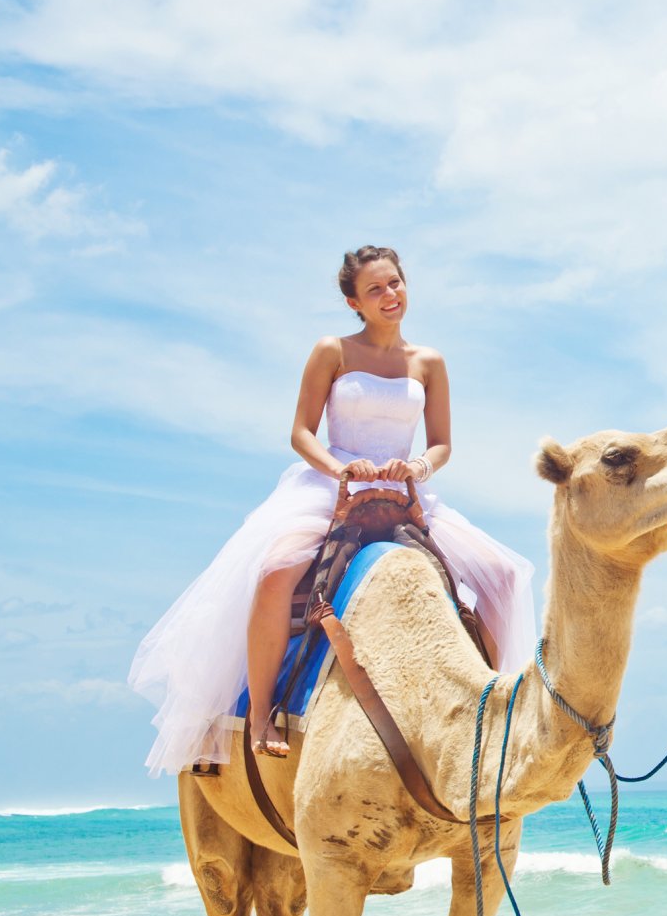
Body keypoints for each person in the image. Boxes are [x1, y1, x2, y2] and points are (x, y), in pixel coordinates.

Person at [130, 245, 536, 771]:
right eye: (375, 290)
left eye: (395, 283)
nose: (390, 295)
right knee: (276, 571)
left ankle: (491, 714)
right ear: (354, 302)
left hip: (403, 488)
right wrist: (339, 468)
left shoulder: (429, 361)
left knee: (503, 575)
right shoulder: (333, 350)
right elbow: (301, 432)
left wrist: (418, 468)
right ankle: (259, 715)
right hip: (333, 482)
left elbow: (441, 444)